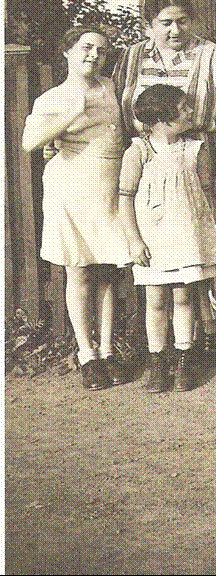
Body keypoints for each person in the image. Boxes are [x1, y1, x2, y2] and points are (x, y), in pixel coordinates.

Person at [113, 0, 216, 360]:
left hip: (200, 161)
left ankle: (212, 333)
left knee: (205, 245)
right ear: (148, 25)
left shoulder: (212, 55)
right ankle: (161, 344)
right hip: (149, 167)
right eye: (166, 23)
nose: (176, 30)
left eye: (183, 21)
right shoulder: (131, 57)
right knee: (158, 255)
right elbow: (117, 112)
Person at [22, 26, 131, 390]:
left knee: (108, 271)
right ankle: (87, 355)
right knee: (79, 270)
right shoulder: (52, 98)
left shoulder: (110, 87)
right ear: (67, 52)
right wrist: (68, 115)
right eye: (86, 48)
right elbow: (29, 142)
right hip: (71, 188)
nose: (93, 55)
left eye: (100, 50)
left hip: (109, 187)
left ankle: (107, 351)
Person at [118, 84, 216, 392]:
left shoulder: (195, 149)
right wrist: (134, 240)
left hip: (187, 235)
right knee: (155, 300)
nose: (190, 112)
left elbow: (205, 193)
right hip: (154, 238)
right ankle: (158, 361)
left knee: (183, 296)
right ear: (163, 119)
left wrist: (204, 235)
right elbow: (125, 198)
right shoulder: (138, 151)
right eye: (183, 108)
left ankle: (184, 358)